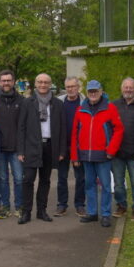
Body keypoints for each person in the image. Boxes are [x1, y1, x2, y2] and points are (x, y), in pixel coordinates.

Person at [71, 80, 124, 228]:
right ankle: (92, 213)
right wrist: (75, 156)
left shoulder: (110, 108)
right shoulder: (81, 109)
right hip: (86, 156)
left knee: (106, 186)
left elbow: (119, 130)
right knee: (89, 185)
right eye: (90, 91)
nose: (93, 94)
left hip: (103, 156)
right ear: (87, 93)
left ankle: (106, 214)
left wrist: (111, 150)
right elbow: (74, 134)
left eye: (95, 91)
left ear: (101, 91)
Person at [18, 73, 65, 224]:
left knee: (45, 180)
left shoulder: (57, 103)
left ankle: (41, 211)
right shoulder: (28, 102)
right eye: (40, 82)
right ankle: (26, 212)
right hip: (31, 146)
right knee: (28, 180)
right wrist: (21, 150)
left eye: (46, 82)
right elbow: (21, 127)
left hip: (50, 147)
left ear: (50, 84)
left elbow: (63, 129)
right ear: (36, 84)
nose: (43, 85)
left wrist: (61, 151)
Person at [0, 69, 25, 218]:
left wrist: (23, 148)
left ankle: (19, 207)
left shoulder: (22, 100)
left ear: (13, 82)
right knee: (2, 179)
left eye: (8, 80)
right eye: (3, 80)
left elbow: (24, 126)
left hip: (17, 148)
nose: (6, 83)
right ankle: (5, 207)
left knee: (18, 178)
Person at [111, 77, 134, 221]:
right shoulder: (114, 105)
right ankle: (121, 206)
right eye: (126, 87)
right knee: (118, 183)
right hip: (117, 153)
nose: (128, 90)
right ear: (121, 88)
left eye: (131, 87)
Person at [55, 76, 86, 217]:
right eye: (68, 87)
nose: (71, 89)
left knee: (80, 177)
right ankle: (62, 204)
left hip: (79, 146)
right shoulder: (59, 102)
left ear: (78, 87)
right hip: (62, 145)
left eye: (73, 86)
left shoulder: (85, 102)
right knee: (62, 177)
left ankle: (80, 204)